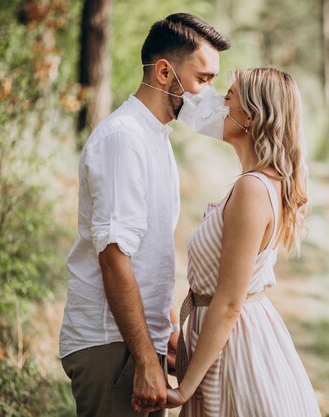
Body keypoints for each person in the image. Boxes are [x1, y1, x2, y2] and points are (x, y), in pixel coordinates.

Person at [58, 14, 230, 417]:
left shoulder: (155, 137)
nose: (210, 92)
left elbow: (148, 257)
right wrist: (145, 360)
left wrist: (165, 331)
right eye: (202, 79)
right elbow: (114, 257)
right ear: (165, 71)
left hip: (134, 342)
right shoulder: (124, 139)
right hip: (111, 344)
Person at [148, 67, 322, 417]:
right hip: (227, 339)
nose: (215, 106)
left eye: (227, 98)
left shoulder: (253, 189)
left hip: (236, 348)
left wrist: (184, 388)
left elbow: (228, 303)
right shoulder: (259, 184)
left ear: (253, 117)